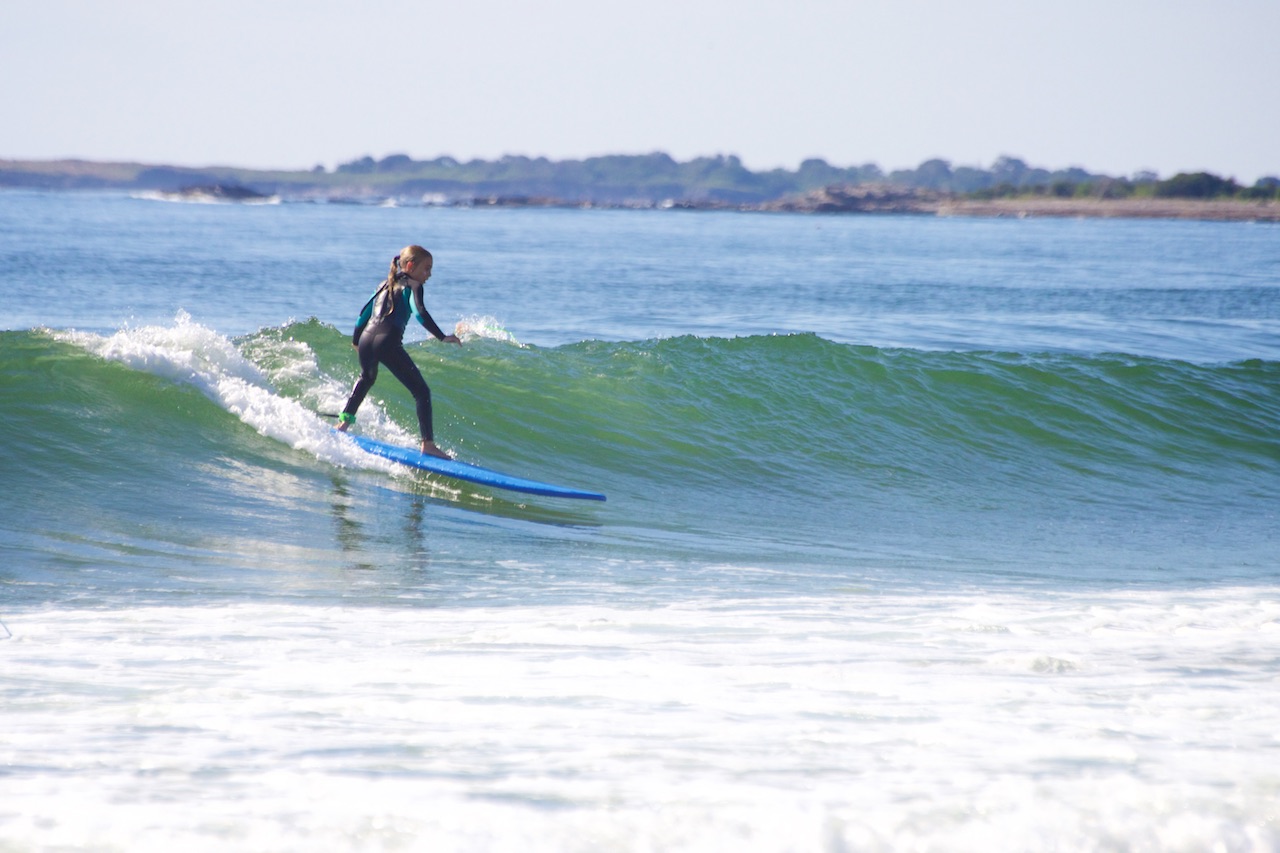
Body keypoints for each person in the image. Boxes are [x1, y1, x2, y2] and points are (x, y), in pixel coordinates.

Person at [336, 245, 461, 458]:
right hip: (388, 341)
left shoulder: (384, 284)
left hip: (367, 339)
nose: (429, 274)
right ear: (410, 266)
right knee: (421, 392)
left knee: (366, 379)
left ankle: (342, 425)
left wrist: (357, 341)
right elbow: (420, 312)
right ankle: (428, 445)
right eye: (426, 269)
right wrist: (442, 336)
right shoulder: (413, 286)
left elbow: (362, 315)